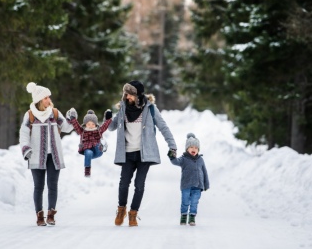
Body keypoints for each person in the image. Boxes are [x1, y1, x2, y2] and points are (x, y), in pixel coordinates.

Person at [108, 80, 177, 227]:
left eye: (130, 95)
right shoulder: (123, 108)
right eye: (126, 94)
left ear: (138, 95)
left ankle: (133, 213)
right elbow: (111, 127)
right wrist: (107, 119)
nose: (127, 97)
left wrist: (172, 146)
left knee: (139, 185)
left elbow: (163, 127)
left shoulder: (150, 109)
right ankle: (121, 210)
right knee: (123, 184)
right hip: (127, 153)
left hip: (143, 154)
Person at [19, 82, 74, 226]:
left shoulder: (54, 113)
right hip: (36, 156)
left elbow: (66, 128)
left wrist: (72, 118)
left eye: (48, 97)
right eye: (45, 98)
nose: (48, 100)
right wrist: (26, 149)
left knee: (53, 185)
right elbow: (24, 133)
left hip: (53, 156)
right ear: (38, 100)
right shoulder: (30, 115)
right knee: (38, 187)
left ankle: (51, 215)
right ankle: (39, 216)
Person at [168, 133, 210, 226]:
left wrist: (206, 184)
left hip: (198, 185)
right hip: (186, 185)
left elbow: (204, 172)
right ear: (187, 149)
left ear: (198, 150)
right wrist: (172, 156)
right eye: (191, 147)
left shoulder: (200, 160)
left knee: (195, 202)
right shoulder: (184, 159)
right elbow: (176, 162)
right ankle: (183, 216)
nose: (193, 149)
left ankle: (192, 218)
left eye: (196, 148)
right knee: (185, 201)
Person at [66, 108, 113, 177]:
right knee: (89, 152)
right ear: (85, 124)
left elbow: (105, 125)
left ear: (95, 124)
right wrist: (73, 118)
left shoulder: (98, 130)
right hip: (87, 151)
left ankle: (102, 147)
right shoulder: (82, 131)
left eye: (93, 124)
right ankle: (87, 170)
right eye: (89, 124)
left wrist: (108, 118)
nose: (91, 126)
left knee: (98, 145)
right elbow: (76, 126)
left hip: (98, 151)